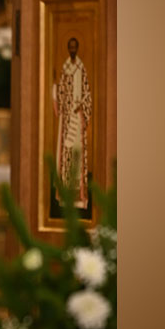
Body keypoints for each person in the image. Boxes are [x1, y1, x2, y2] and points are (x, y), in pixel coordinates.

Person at [54, 36, 91, 209]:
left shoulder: (81, 68)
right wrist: (61, 104)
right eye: (70, 47)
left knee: (77, 151)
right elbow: (61, 92)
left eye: (75, 47)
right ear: (68, 49)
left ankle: (78, 196)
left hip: (78, 116)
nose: (72, 50)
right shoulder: (65, 67)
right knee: (66, 153)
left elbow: (87, 92)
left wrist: (82, 107)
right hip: (67, 119)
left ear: (78, 48)